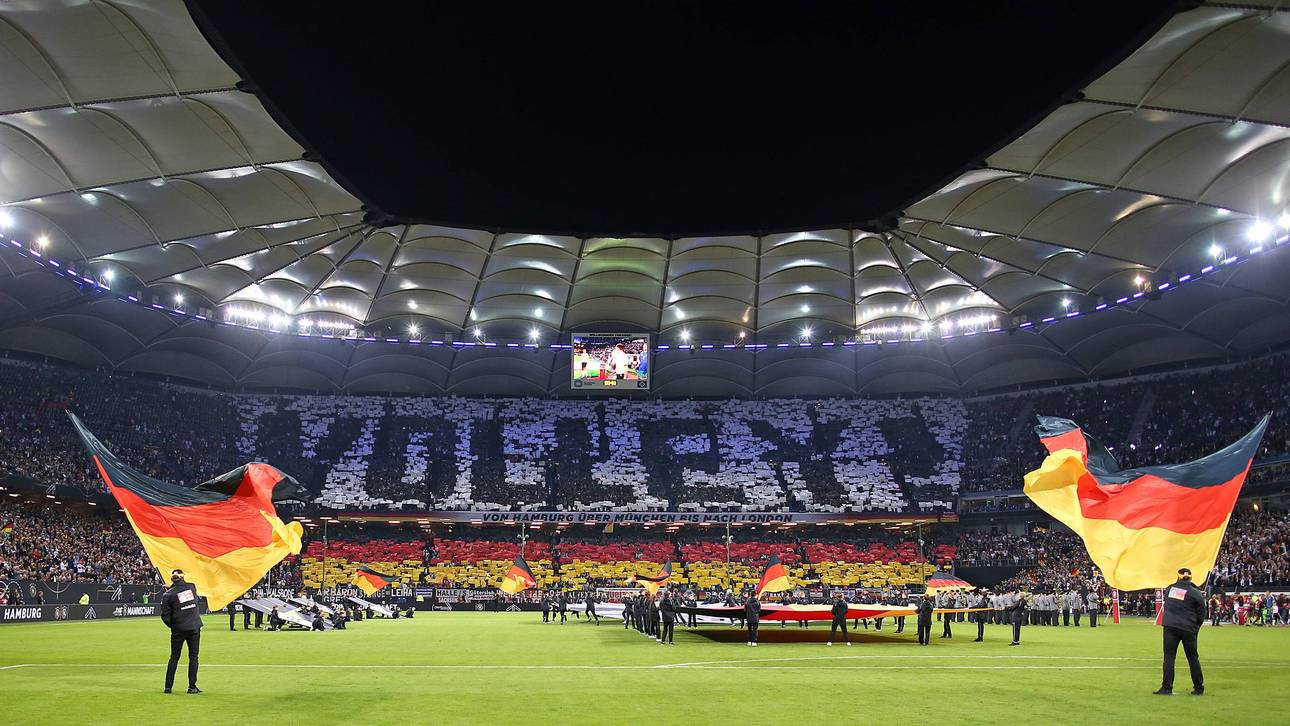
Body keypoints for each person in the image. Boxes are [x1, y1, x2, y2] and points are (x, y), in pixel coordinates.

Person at [1156, 568, 1206, 696]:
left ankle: (1167, 687)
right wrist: (1196, 627)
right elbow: (1201, 614)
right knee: (1193, 657)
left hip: (1171, 626)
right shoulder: (1196, 593)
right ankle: (1198, 687)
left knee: (1169, 657)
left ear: (1178, 577)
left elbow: (1171, 603)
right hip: (1189, 628)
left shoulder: (1171, 589)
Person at [160, 569, 202, 694]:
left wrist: (174, 626)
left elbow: (165, 616)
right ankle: (192, 686)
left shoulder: (168, 595)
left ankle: (168, 687)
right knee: (193, 657)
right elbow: (183, 594)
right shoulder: (192, 587)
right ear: (183, 577)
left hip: (178, 629)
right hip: (194, 627)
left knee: (174, 657)